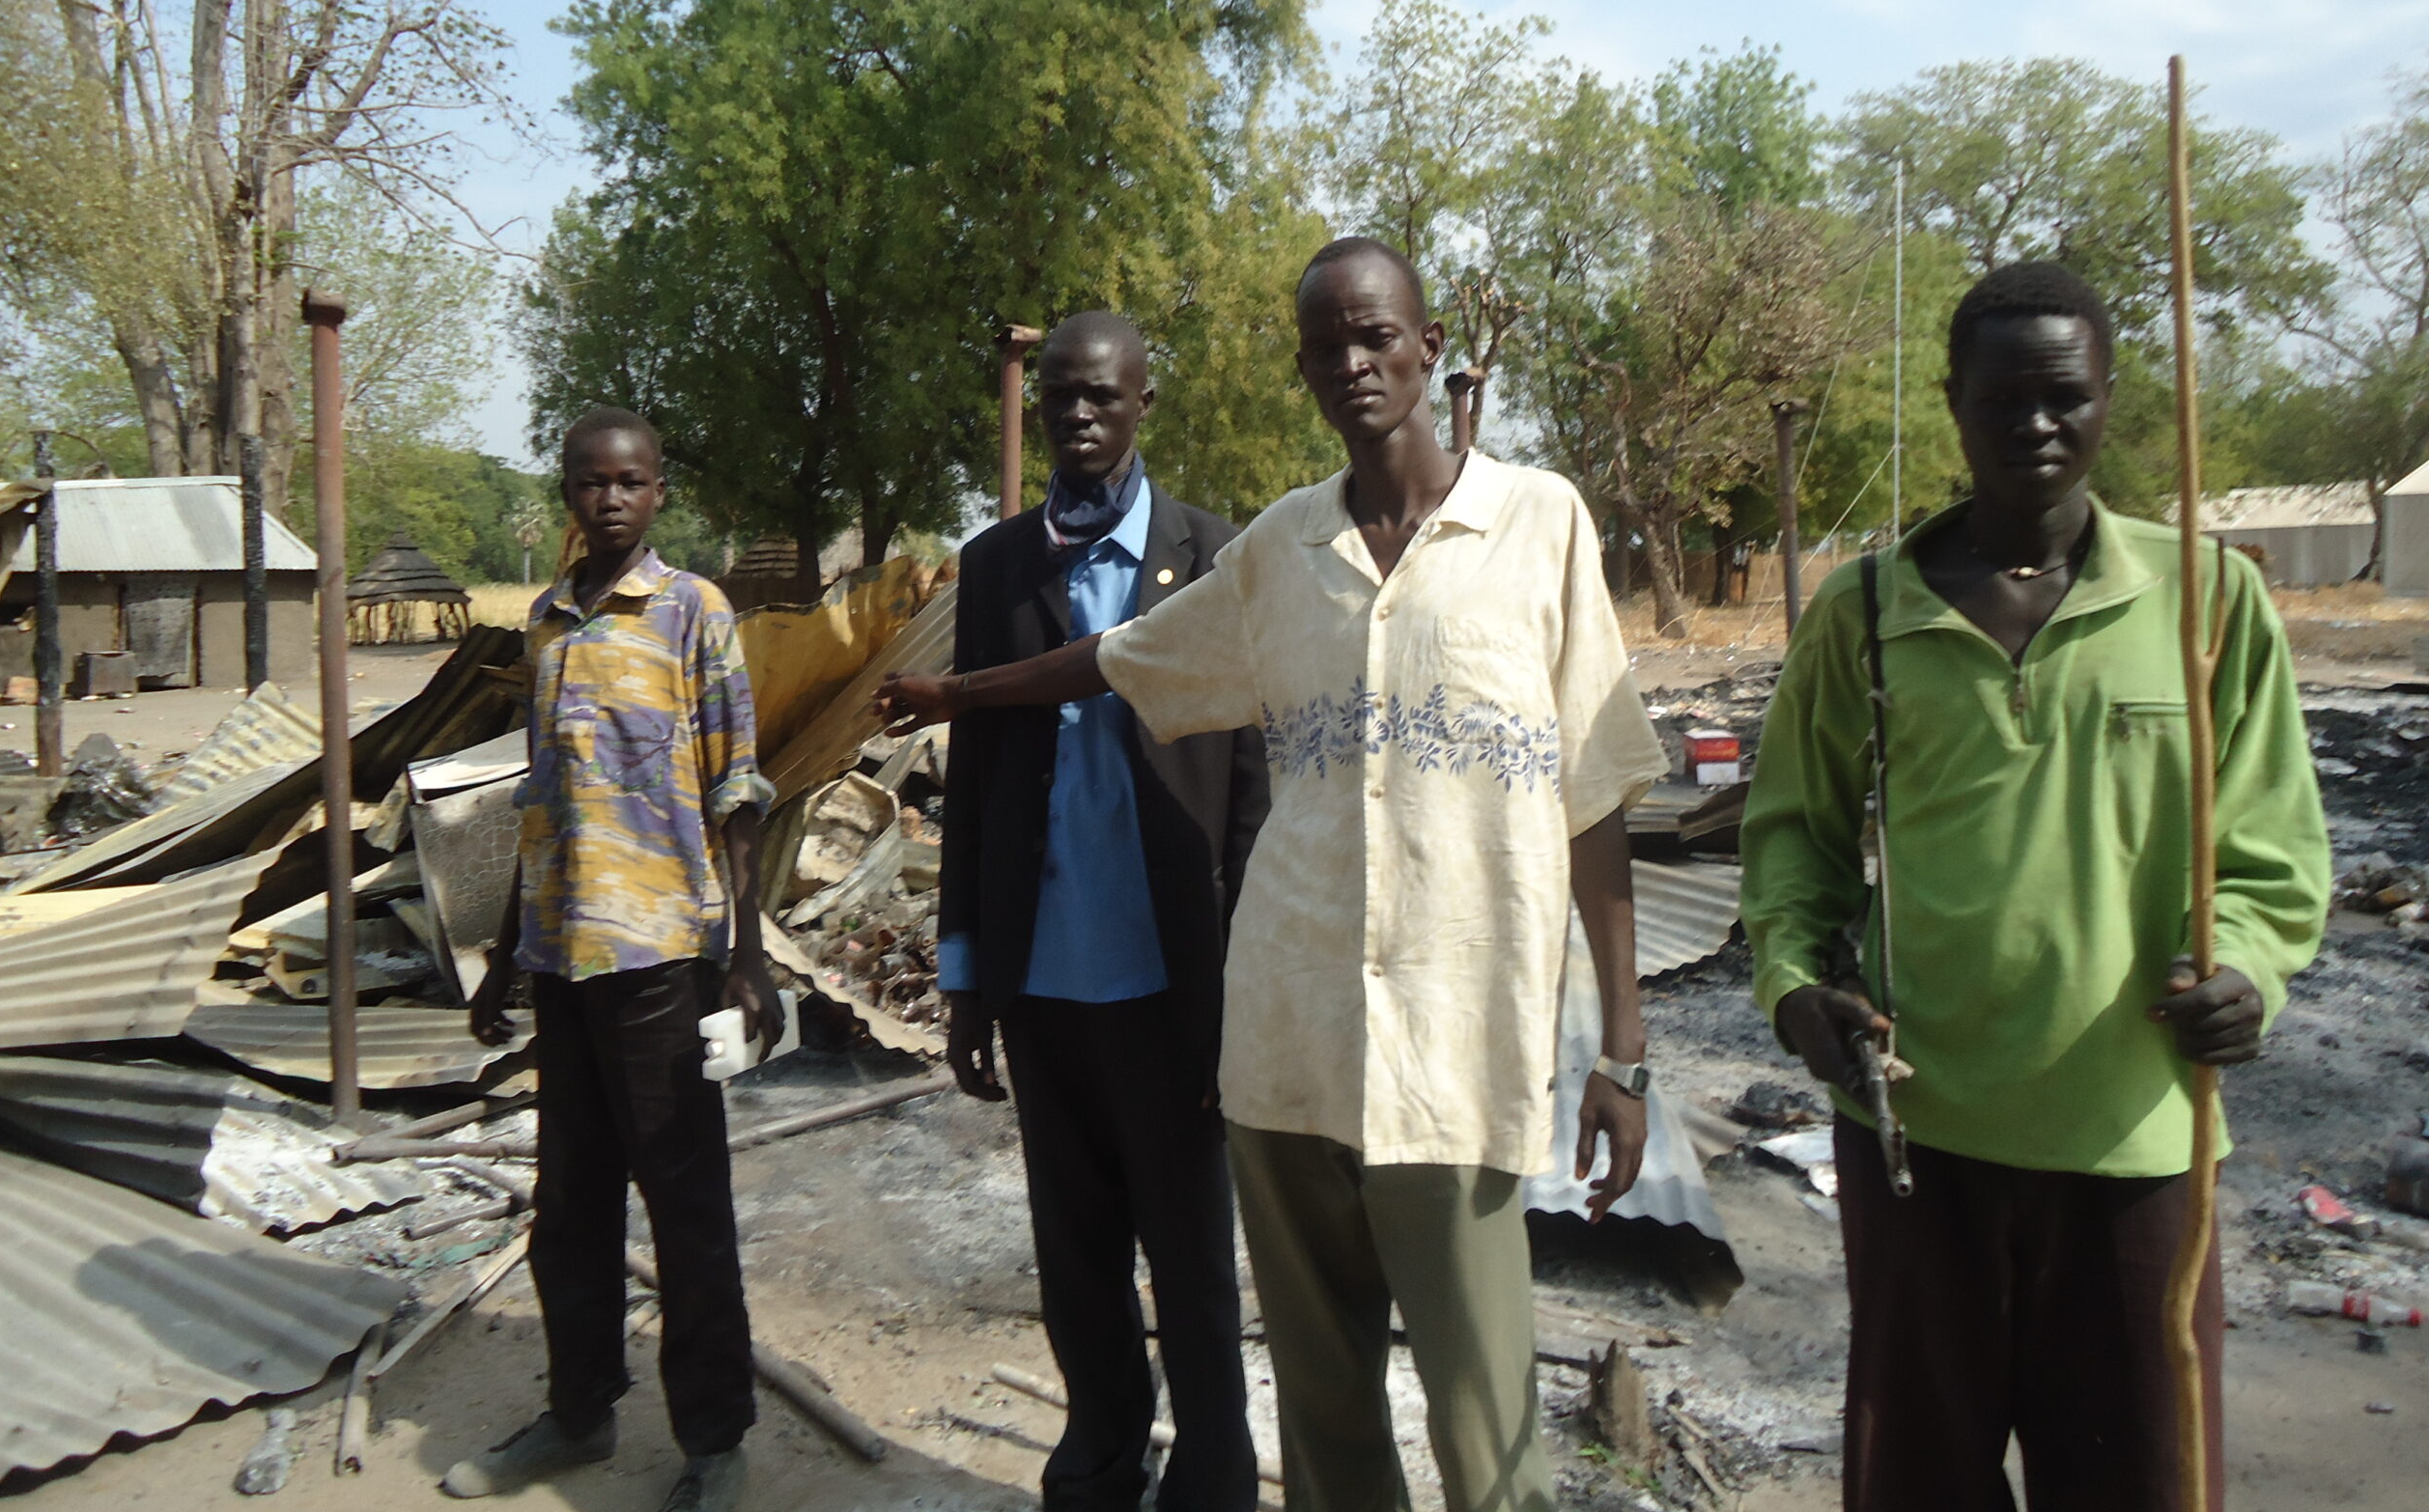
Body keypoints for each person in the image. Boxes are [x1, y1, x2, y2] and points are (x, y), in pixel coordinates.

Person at [882, 239, 1666, 1512]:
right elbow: (1116, 660)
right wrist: (949, 695)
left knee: (1488, 1441)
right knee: (1329, 1429)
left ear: (1426, 349)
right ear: (1302, 367)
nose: (1354, 363)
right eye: (1326, 346)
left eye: (1377, 338)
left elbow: (1597, 792)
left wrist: (1624, 1053)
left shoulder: (1539, 526)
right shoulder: (1279, 549)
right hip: (1287, 1045)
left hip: (1454, 1058)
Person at [1740, 264, 2330, 1512]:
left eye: (2066, 397)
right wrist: (1797, 993)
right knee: (1920, 1486)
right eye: (2002, 399)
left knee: (2141, 1483)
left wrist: (2247, 969)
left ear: (2111, 399)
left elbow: (2274, 850)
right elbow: (1791, 837)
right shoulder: (1865, 616)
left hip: (2140, 1143)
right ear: (1953, 403)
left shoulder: (2209, 602)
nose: (2036, 427)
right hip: (1917, 1149)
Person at [937, 310, 1270, 1512]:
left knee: (1189, 1254)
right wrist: (967, 975)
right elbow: (974, 779)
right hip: (1042, 979)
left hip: (1173, 983)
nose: (1079, 416)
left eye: (1102, 397)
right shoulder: (996, 568)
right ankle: (1097, 1459)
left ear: (1142, 404)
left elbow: (1248, 795)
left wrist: (1240, 994)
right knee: (1074, 1253)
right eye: (1061, 399)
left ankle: (1214, 1471)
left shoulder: (1219, 558)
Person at [447, 406, 782, 1512]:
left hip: (660, 958)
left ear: (659, 493)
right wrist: (501, 958)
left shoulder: (695, 613)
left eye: (630, 482)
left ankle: (713, 1443)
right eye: (590, 483)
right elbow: (540, 804)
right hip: (563, 958)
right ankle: (579, 1415)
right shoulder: (545, 624)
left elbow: (739, 790)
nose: (610, 500)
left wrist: (745, 955)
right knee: (569, 1208)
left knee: (686, 1210)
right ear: (568, 495)